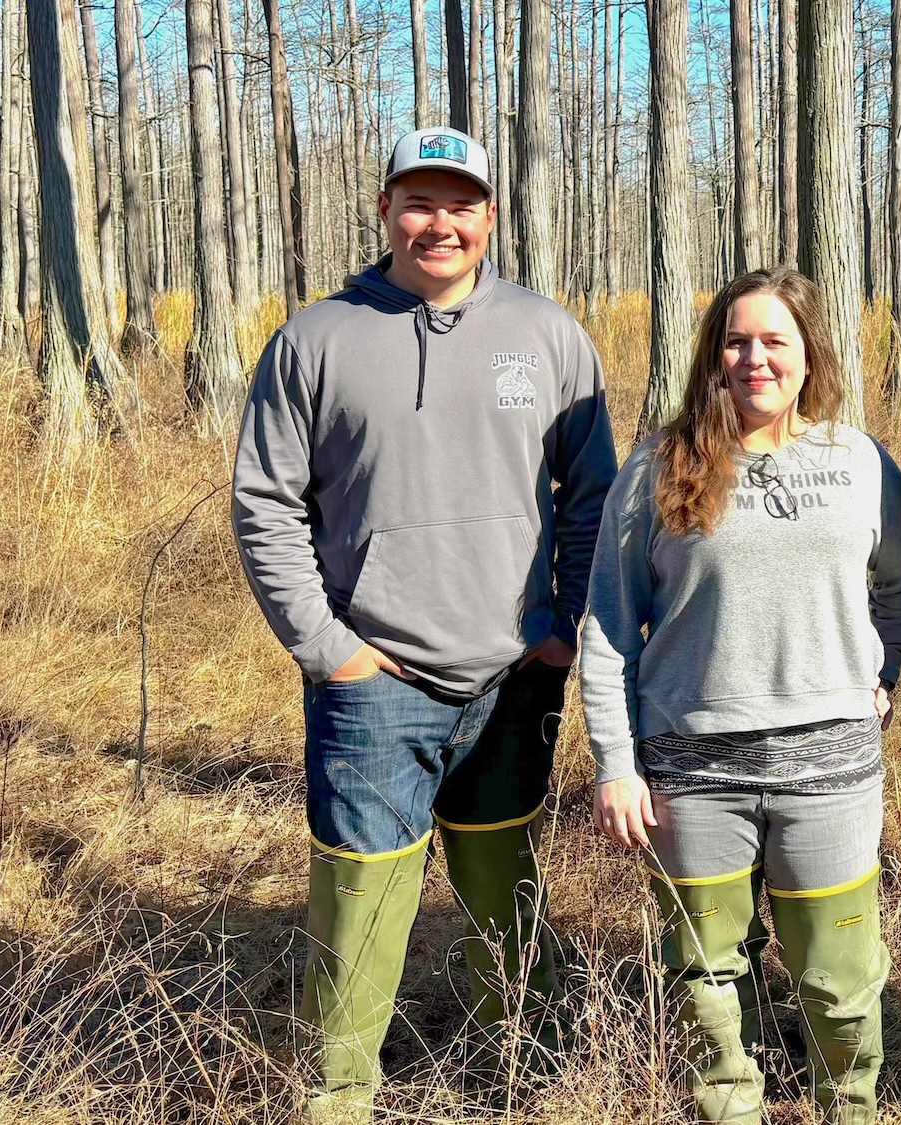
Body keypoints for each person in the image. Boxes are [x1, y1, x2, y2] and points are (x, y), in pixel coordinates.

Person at [231, 126, 617, 1122]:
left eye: (460, 204)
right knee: (358, 906)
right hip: (374, 683)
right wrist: (330, 650)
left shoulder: (546, 333)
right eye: (418, 202)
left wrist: (563, 628)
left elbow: (592, 496)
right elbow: (265, 503)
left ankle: (530, 1072)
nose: (439, 223)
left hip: (514, 676)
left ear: (489, 216)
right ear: (385, 210)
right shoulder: (317, 339)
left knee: (504, 886)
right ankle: (336, 1097)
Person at [580, 268, 901, 1125]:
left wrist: (883, 671)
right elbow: (609, 625)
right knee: (705, 978)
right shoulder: (658, 467)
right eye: (736, 341)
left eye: (774, 341)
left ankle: (849, 1109)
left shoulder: (860, 463)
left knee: (840, 981)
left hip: (831, 771)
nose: (754, 358)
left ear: (810, 355)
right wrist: (616, 763)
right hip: (692, 772)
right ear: (713, 355)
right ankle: (728, 1109)